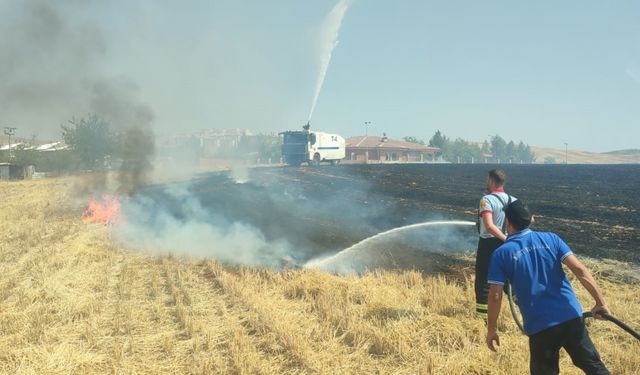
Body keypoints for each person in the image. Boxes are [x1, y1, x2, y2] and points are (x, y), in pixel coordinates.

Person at [486, 199, 611, 375]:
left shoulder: (501, 254)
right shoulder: (552, 239)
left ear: (507, 222)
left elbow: (495, 296)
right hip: (571, 317)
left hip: (541, 326)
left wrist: (491, 329)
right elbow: (580, 270)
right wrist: (600, 302)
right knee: (595, 368)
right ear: (532, 219)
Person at [475, 169, 515, 319]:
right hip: (508, 246)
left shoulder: (487, 200)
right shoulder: (513, 200)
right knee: (508, 281)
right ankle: (527, 309)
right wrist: (511, 240)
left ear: (491, 181)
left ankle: (483, 319)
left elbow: (490, 226)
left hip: (489, 245)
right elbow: (527, 221)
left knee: (483, 282)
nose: (486, 182)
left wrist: (505, 239)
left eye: (487, 180)